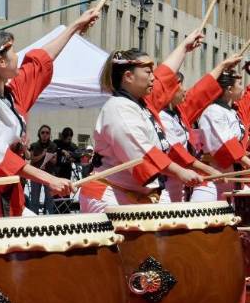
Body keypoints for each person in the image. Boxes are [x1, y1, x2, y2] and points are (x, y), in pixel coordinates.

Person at [0, 11, 97, 221]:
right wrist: (49, 179)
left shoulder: (9, 95)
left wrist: (74, 28)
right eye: (14, 52)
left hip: (9, 195)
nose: (18, 56)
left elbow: (39, 63)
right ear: (0, 62)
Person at [78, 31, 205, 212]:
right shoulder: (119, 107)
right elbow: (142, 152)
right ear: (129, 76)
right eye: (148, 72)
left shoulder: (141, 105)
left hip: (131, 196)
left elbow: (165, 76)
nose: (153, 77)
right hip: (109, 196)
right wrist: (180, 171)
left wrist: (184, 47)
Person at [159, 57, 241, 201]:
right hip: (165, 187)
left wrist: (221, 66)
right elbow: (176, 152)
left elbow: (199, 92)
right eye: (180, 85)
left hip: (183, 184)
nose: (185, 89)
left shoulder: (179, 112)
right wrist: (209, 169)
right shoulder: (161, 116)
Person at [191, 66, 250, 201]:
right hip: (212, 182)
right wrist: (247, 161)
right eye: (239, 84)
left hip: (231, 178)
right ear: (229, 89)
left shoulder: (231, 112)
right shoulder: (213, 111)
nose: (242, 87)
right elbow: (227, 144)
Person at [27, 125, 58, 214]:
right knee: (35, 199)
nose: (45, 134)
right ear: (39, 134)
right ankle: (34, 218)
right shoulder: (34, 145)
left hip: (49, 175)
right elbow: (32, 159)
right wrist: (43, 154)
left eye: (47, 133)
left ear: (49, 134)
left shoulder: (53, 145)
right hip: (36, 174)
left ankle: (49, 219)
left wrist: (50, 158)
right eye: (43, 132)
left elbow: (55, 162)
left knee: (49, 198)